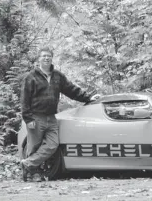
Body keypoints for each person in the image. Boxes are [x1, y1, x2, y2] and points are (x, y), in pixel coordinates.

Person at [20, 47, 98, 182]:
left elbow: (71, 90)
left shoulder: (57, 76)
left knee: (53, 144)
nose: (46, 58)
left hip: (51, 117)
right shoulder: (30, 77)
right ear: (39, 58)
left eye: (49, 56)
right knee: (33, 146)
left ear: (52, 58)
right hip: (36, 117)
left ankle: (27, 164)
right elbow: (24, 100)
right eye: (43, 56)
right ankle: (32, 174)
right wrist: (28, 118)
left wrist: (88, 98)